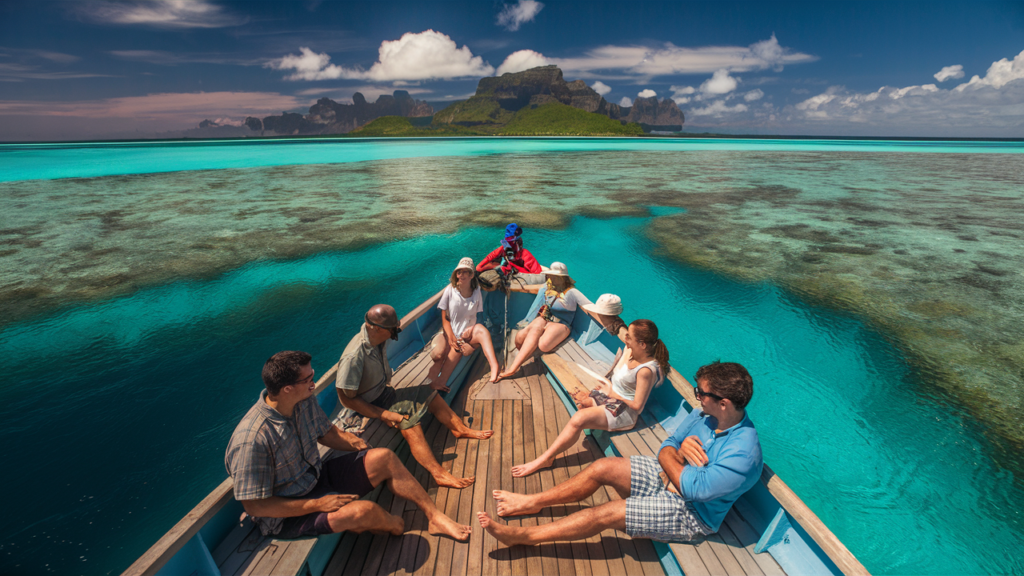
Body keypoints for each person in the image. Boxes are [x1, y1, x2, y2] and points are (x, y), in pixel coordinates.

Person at [478, 361, 762, 548]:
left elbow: (692, 490)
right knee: (602, 466)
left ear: (723, 403)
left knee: (607, 513)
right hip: (670, 476)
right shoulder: (703, 416)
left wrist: (673, 459)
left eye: (701, 393)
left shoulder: (743, 453)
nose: (697, 397)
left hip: (693, 514)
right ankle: (533, 502)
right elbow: (668, 444)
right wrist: (677, 453)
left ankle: (525, 537)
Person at [224, 351, 471, 542]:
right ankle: (396, 525)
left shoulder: (302, 400)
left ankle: (434, 517)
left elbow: (326, 433)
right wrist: (317, 505)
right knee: (363, 512)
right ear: (287, 389)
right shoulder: (252, 439)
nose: (314, 383)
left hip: (316, 477)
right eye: (308, 379)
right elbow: (255, 505)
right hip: (286, 513)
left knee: (384, 457)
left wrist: (355, 443)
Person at [335, 304, 492, 490]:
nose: (396, 333)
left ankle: (460, 429)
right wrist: (382, 414)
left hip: (385, 393)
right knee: (409, 422)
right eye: (393, 330)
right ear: (376, 328)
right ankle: (439, 474)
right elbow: (346, 399)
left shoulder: (377, 337)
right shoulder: (354, 357)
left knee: (429, 393)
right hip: (371, 405)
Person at [511, 319, 668, 477]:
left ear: (642, 344)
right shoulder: (632, 351)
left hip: (624, 411)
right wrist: (608, 386)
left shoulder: (645, 371)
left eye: (629, 337)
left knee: (579, 418)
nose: (625, 338)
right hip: (610, 395)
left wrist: (612, 393)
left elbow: (638, 406)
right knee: (582, 402)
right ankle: (578, 430)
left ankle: (546, 459)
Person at [496, 262, 587, 381]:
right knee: (519, 338)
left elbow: (589, 306)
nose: (550, 277)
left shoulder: (571, 292)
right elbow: (534, 289)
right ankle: (518, 364)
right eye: (550, 275)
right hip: (546, 318)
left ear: (562, 278)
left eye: (553, 276)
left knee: (543, 345)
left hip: (561, 324)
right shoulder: (548, 287)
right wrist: (510, 287)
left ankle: (513, 368)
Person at [429, 257, 501, 386]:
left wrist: (471, 331)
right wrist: (451, 338)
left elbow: (479, 315)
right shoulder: (450, 290)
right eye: (459, 272)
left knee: (481, 331)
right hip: (449, 332)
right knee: (438, 355)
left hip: (466, 334)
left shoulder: (476, 291)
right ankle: (439, 381)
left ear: (471, 275)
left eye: (465, 272)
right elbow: (445, 318)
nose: (461, 275)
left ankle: (494, 366)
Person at [476, 223, 543, 292]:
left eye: (511, 240)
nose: (509, 245)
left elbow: (538, 275)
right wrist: (499, 267)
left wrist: (513, 268)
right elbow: (479, 267)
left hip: (525, 275)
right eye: (507, 241)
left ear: (517, 242)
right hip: (513, 274)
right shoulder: (502, 249)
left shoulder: (525, 254)